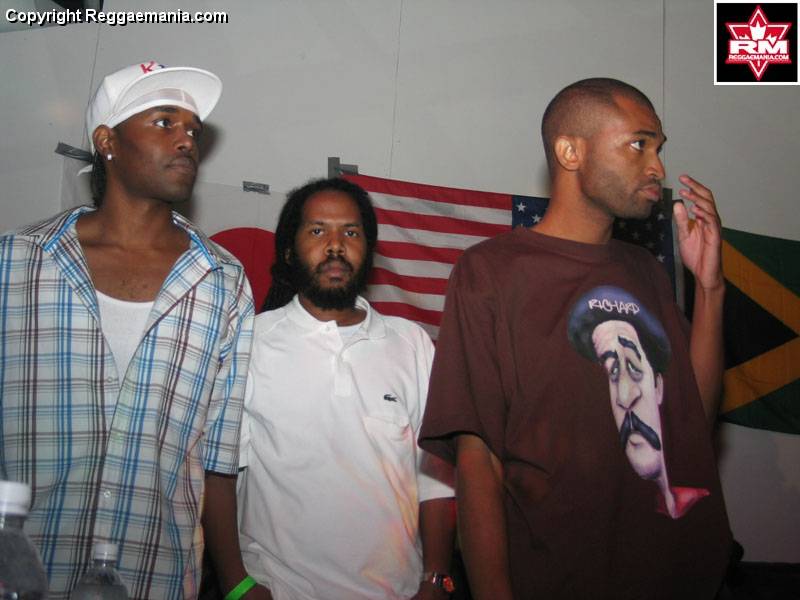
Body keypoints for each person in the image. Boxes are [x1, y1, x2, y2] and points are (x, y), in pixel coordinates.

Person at [419, 78, 732, 599]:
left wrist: (710, 287)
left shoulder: (645, 269)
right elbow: (477, 461)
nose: (656, 167)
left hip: (679, 576)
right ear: (570, 152)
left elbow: (692, 421)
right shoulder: (491, 271)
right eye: (639, 144)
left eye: (658, 148)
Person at [0, 60, 254, 599]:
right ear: (106, 141)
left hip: (156, 578)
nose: (186, 140)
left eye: (193, 130)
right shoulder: (17, 262)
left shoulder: (222, 281)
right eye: (164, 122)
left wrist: (236, 583)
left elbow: (217, 459)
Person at [205, 177, 456, 600]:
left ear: (369, 251)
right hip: (280, 589)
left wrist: (435, 580)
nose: (336, 246)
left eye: (351, 233)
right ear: (289, 251)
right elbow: (218, 473)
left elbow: (436, 479)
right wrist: (236, 585)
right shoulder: (250, 343)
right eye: (318, 230)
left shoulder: (411, 344)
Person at [567, 285, 711, 519]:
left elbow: (698, 419)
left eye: (634, 367)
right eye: (612, 372)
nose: (625, 397)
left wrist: (710, 291)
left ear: (658, 386)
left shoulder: (696, 503)